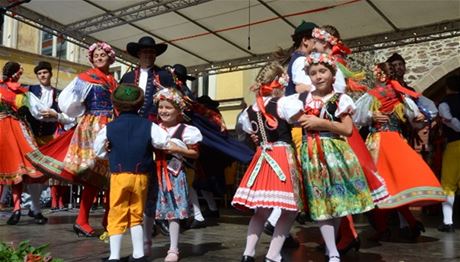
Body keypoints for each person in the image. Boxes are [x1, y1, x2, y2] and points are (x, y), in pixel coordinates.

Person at [26, 42, 117, 237]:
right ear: (91, 59)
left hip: (111, 126)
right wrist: (76, 114)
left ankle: (107, 218)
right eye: (96, 55)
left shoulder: (112, 80)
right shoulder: (86, 78)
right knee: (94, 174)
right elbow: (67, 103)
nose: (100, 58)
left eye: (103, 55)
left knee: (110, 175)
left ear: (110, 58)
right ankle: (83, 220)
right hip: (93, 127)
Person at [353, 62, 445, 240]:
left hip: (379, 142)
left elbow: (357, 117)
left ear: (380, 75)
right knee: (395, 186)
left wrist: (372, 116)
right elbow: (421, 115)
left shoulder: (373, 95)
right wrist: (421, 117)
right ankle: (410, 222)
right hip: (397, 141)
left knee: (380, 187)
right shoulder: (402, 95)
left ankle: (383, 228)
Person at [298, 52, 374, 262]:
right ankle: (332, 250)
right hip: (312, 154)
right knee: (320, 201)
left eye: (322, 71)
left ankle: (333, 246)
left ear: (333, 74)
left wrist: (321, 123)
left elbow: (348, 129)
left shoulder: (340, 99)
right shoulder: (303, 99)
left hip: (335, 152)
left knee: (338, 200)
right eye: (313, 73)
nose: (318, 76)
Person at [232, 62, 305, 262]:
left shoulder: (248, 110)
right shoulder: (283, 104)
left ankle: (248, 254)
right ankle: (272, 255)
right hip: (281, 156)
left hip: (262, 157)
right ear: (278, 82)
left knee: (261, 211)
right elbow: (301, 120)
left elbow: (249, 133)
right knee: (290, 209)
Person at [94, 84, 170, 262]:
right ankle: (138, 254)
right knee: (136, 214)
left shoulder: (109, 128)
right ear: (140, 104)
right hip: (141, 175)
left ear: (116, 106)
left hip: (119, 175)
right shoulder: (149, 125)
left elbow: (98, 152)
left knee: (117, 213)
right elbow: (163, 142)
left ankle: (114, 256)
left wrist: (110, 151)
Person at [120, 35, 170, 237]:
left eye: (151, 52)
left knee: (158, 173)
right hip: (132, 130)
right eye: (145, 52)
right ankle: (135, 217)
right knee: (135, 171)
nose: (148, 55)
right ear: (138, 54)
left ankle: (160, 216)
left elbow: (171, 103)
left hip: (155, 128)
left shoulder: (164, 76)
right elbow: (120, 104)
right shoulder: (126, 77)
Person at [151, 88, 202, 262]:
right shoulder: (154, 128)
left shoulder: (187, 130)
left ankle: (173, 248)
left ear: (179, 111)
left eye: (168, 108)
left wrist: (178, 149)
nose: (163, 111)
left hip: (174, 175)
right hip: (155, 174)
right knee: (149, 210)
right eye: (161, 107)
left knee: (174, 212)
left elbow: (195, 154)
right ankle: (145, 243)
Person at [26, 61, 75, 213]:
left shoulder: (58, 94)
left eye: (45, 72)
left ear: (50, 74)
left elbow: (70, 118)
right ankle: (33, 206)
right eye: (39, 73)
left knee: (43, 174)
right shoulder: (30, 90)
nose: (42, 75)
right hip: (31, 137)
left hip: (48, 139)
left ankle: (35, 205)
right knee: (30, 172)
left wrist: (56, 115)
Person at [0, 61, 43, 225]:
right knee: (14, 171)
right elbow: (26, 108)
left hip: (9, 129)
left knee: (14, 172)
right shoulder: (19, 91)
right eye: (18, 72)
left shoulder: (20, 91)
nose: (19, 75)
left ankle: (17, 208)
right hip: (11, 129)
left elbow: (26, 109)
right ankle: (16, 209)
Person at [437, 74, 460, 233]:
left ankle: (447, 222)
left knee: (448, 184)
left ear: (447, 87)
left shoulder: (444, 103)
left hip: (455, 145)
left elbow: (448, 118)